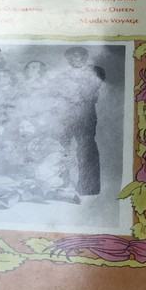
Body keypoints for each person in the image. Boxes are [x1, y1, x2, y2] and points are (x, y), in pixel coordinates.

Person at [55, 47, 105, 195]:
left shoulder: (96, 71)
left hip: (85, 116)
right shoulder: (61, 75)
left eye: (80, 56)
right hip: (64, 117)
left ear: (86, 57)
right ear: (68, 59)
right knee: (60, 149)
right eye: (72, 57)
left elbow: (91, 90)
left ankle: (88, 188)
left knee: (86, 150)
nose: (76, 59)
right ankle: (60, 185)